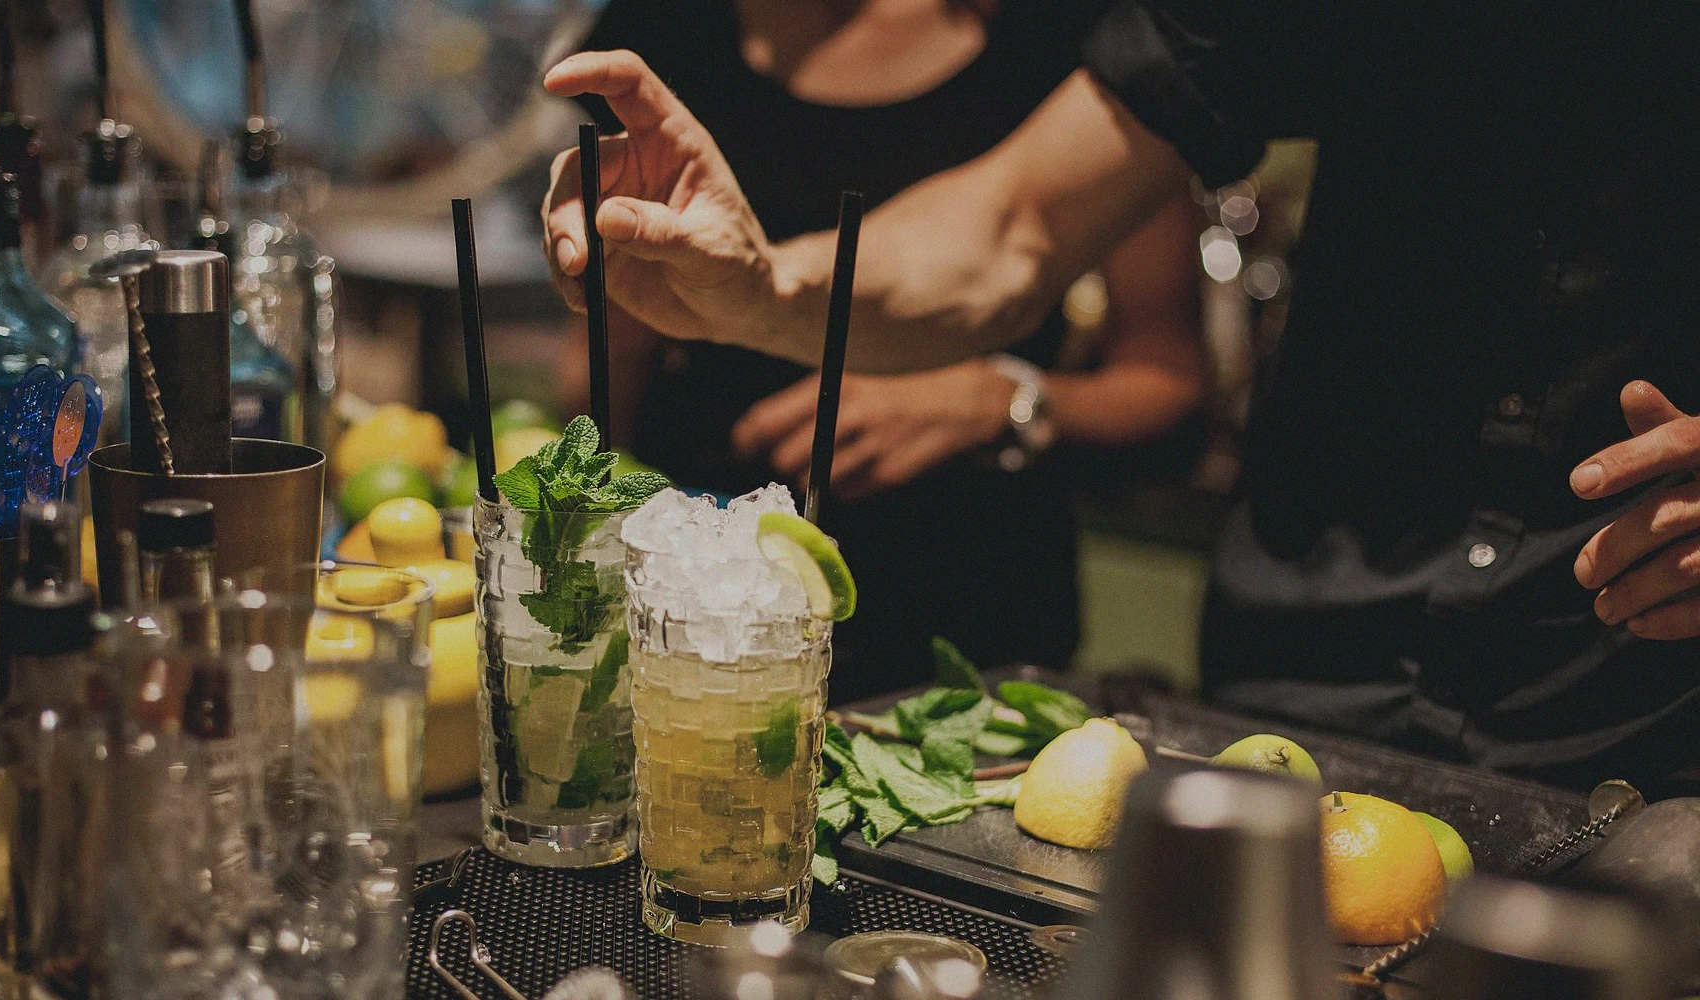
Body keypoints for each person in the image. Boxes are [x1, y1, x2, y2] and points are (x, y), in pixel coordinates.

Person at [539, 4, 1700, 795]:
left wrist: (1005, 402)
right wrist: (761, 286)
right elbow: (1014, 223)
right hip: (1301, 681)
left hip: (1635, 707)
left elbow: (1164, 378)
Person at [556, 0, 1206, 702]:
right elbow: (608, 371)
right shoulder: (663, 33)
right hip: (706, 618)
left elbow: (1164, 382)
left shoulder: (1079, 41)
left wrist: (994, 401)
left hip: (970, 624)